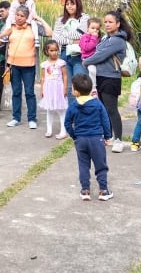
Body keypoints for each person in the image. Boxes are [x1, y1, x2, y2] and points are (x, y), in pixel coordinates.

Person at [81, 10, 132, 153]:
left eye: (110, 22)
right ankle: (106, 136)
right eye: (106, 22)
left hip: (111, 78)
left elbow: (100, 55)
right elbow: (97, 52)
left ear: (118, 24)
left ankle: (118, 140)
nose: (107, 24)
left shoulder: (118, 40)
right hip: (100, 77)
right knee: (102, 109)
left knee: (112, 109)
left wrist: (85, 62)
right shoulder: (106, 38)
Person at [64, 73, 113, 201]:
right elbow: (105, 120)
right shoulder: (97, 104)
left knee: (83, 165)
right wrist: (107, 136)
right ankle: (103, 190)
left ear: (76, 92)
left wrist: (74, 136)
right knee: (100, 165)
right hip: (97, 139)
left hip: (80, 140)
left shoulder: (73, 106)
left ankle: (85, 190)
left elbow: (67, 123)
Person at [0, 7, 39, 129]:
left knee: (30, 92)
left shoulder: (33, 27)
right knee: (16, 92)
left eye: (22, 16)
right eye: (17, 15)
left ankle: (32, 118)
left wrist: (39, 18)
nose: (19, 18)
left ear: (27, 17)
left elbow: (49, 33)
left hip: (29, 65)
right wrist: (1, 35)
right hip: (13, 65)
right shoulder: (10, 28)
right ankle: (16, 118)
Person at [52, 0, 89, 99]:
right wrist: (73, 40)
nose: (69, 6)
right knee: (68, 87)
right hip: (64, 54)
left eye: (72, 4)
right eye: (67, 4)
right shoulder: (60, 20)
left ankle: (82, 113)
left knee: (80, 85)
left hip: (79, 55)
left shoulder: (84, 18)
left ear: (78, 5)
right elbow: (56, 38)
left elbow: (82, 34)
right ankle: (72, 113)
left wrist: (65, 33)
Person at [39, 40, 68, 139]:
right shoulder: (44, 64)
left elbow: (65, 76)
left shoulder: (61, 63)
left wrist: (64, 88)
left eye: (56, 50)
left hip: (58, 88)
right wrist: (42, 89)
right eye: (51, 50)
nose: (54, 52)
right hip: (49, 89)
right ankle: (49, 129)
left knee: (61, 110)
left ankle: (63, 131)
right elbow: (43, 77)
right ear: (47, 52)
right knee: (49, 110)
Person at [79, 17, 102, 95]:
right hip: (88, 58)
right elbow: (87, 47)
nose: (95, 30)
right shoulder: (84, 37)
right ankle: (93, 88)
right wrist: (94, 38)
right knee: (92, 70)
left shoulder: (98, 38)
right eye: (93, 28)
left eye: (97, 29)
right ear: (88, 28)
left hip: (96, 58)